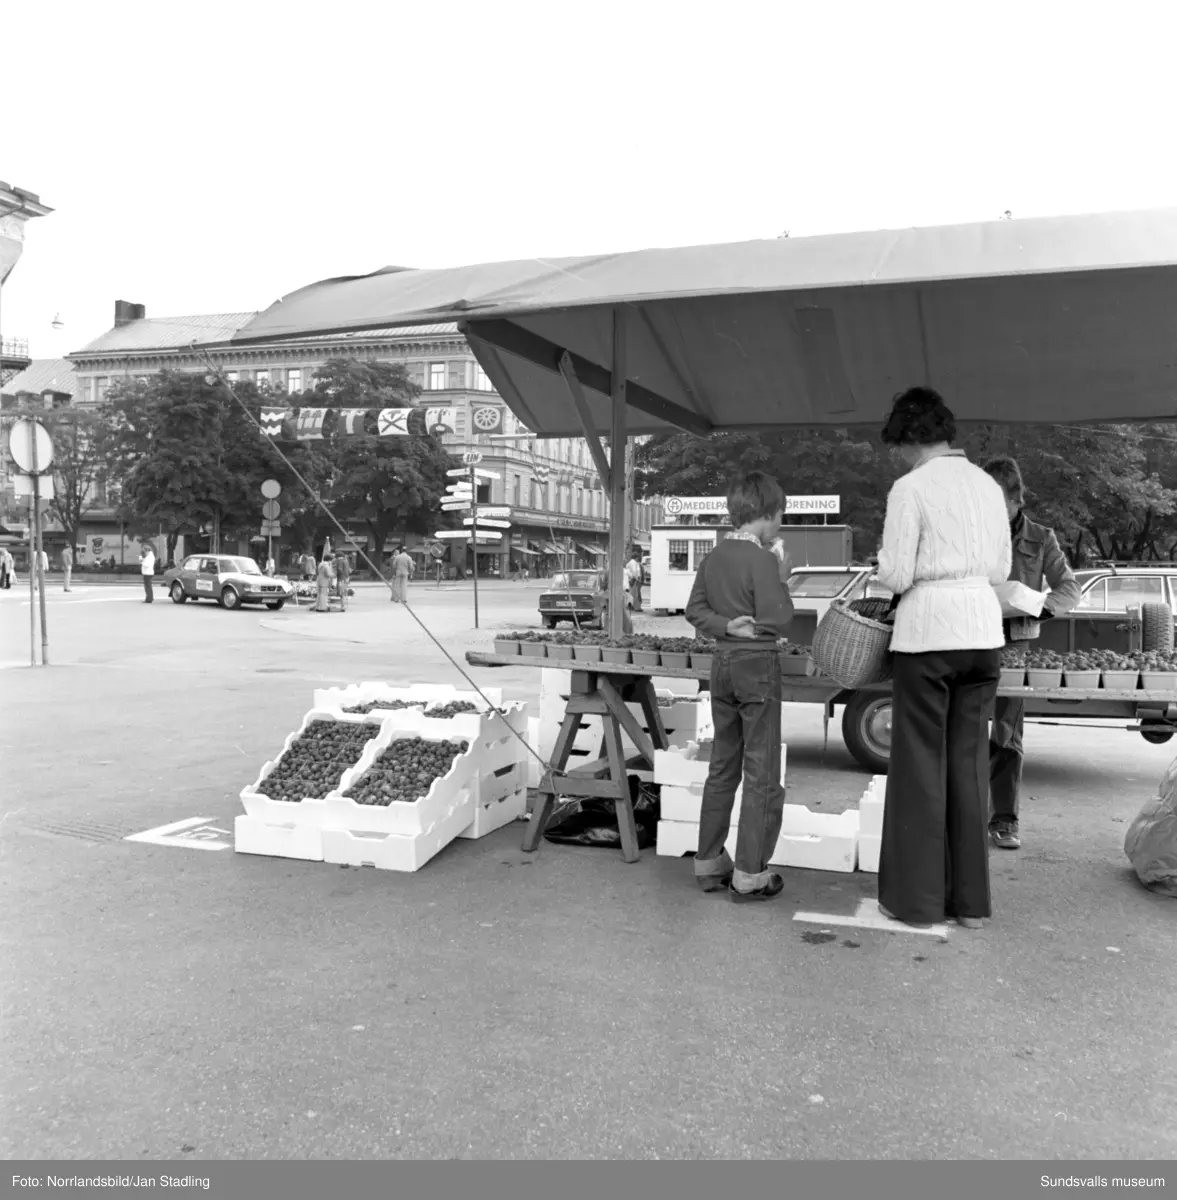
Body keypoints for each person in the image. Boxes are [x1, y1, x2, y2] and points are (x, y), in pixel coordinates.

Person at [874, 388, 1012, 930]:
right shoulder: (987, 485)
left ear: (910, 438)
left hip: (929, 633)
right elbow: (1001, 570)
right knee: (969, 766)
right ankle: (971, 903)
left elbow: (897, 575)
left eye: (899, 446)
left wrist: (883, 561)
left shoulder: (910, 488)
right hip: (982, 631)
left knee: (919, 769)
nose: (899, 456)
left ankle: (919, 902)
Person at [684, 471, 795, 902]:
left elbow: (695, 610)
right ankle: (750, 872)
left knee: (723, 765)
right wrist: (781, 572)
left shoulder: (713, 557)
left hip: (722, 663)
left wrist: (725, 624)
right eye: (780, 515)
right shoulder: (764, 559)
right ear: (768, 515)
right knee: (762, 771)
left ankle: (709, 861)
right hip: (757, 666)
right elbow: (780, 615)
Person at [982, 456, 1081, 851]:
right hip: (968, 636)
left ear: (1015, 499)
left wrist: (1044, 605)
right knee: (965, 729)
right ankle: (961, 812)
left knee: (1006, 734)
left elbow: (1069, 588)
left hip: (1015, 643)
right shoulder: (969, 535)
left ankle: (1004, 820)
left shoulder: (1042, 538)